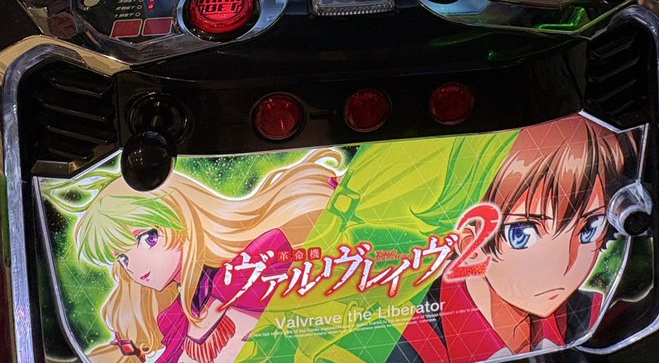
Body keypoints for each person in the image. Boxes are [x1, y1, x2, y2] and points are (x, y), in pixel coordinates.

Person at [48, 149, 343, 363]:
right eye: (123, 259)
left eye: (148, 238)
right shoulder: (180, 314)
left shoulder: (244, 272)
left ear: (183, 217)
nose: (135, 266)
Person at [387, 115, 638, 362]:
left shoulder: (589, 316)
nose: (564, 266)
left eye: (589, 229)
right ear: (470, 242)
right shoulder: (402, 342)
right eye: (522, 234)